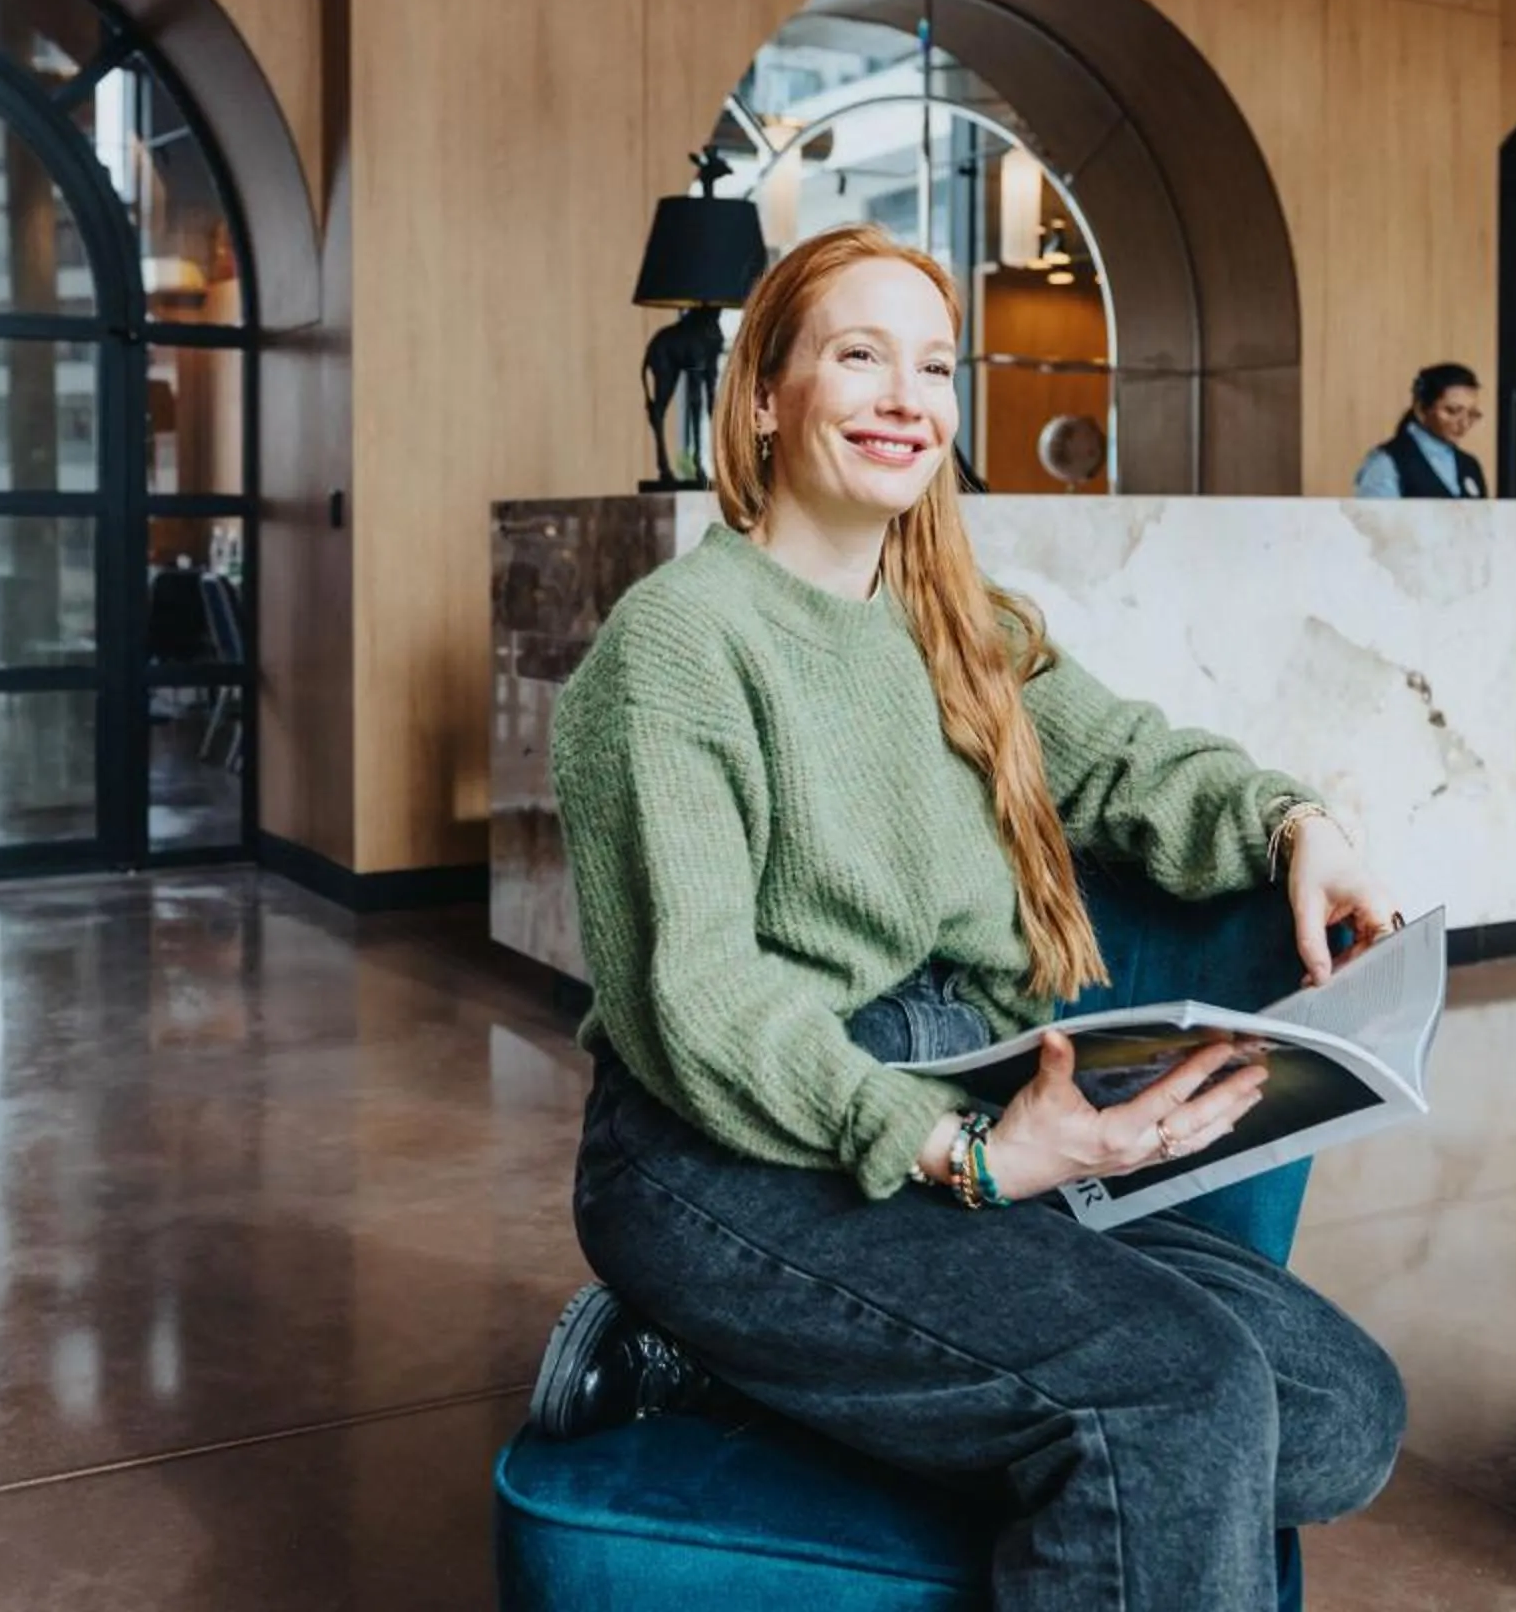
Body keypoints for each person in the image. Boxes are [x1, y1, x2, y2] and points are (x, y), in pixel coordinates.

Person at [542, 223, 1407, 1611]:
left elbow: (1128, 763)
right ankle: (776, 1345)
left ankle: (729, 1372)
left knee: (1343, 1412)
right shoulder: (679, 645)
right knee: (1176, 1398)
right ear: (764, 395)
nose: (907, 398)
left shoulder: (958, 622)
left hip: (969, 1097)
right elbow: (703, 1001)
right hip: (727, 1147)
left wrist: (1296, 824)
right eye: (860, 356)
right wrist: (970, 1156)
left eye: (936, 366)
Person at [1353, 363, 1486, 498]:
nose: (1464, 423)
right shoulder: (1386, 461)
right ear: (1421, 409)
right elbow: (1372, 512)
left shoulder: (1470, 465)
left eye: (1472, 414)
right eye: (1452, 411)